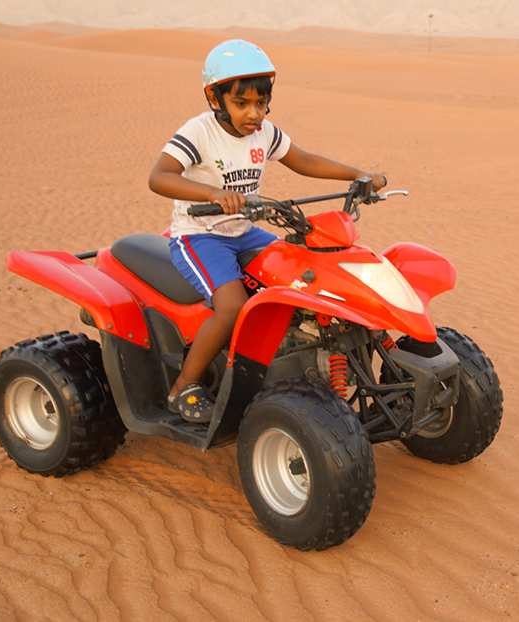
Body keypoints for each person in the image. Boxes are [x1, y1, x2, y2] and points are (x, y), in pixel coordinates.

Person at [148, 39, 386, 422]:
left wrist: (357, 174)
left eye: (261, 103)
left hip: (245, 233)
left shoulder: (265, 133)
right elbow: (159, 177)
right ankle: (183, 388)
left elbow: (304, 159)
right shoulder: (200, 132)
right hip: (201, 236)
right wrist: (212, 192)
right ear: (215, 97)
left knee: (298, 277)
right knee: (232, 307)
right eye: (242, 104)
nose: (253, 113)